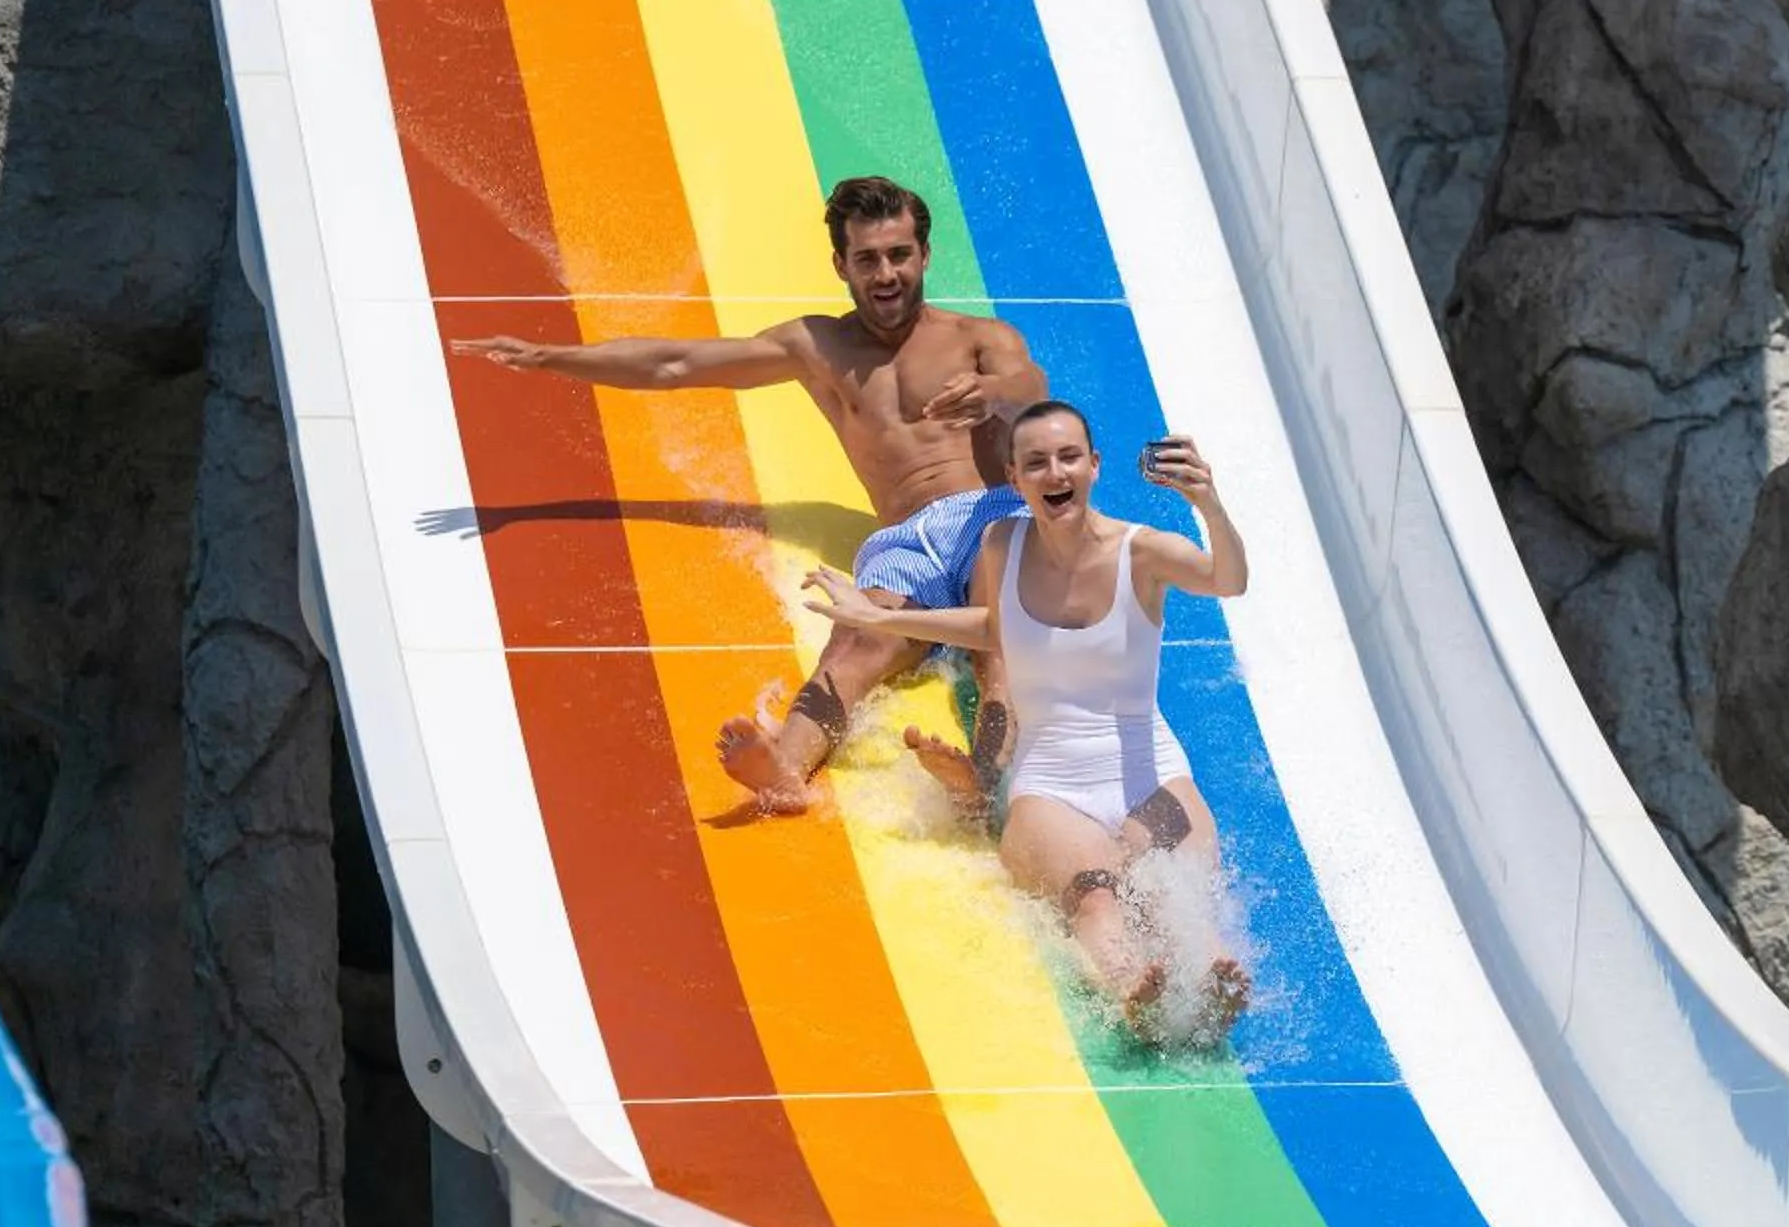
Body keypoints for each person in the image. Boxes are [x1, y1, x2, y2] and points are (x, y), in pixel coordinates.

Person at [451, 175, 1047, 812]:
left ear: (924, 256)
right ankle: (786, 770)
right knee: (855, 637)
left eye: (899, 255)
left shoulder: (979, 341)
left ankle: (985, 775)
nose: (886, 273)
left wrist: (991, 395)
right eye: (867, 258)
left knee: (1002, 628)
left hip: (989, 515)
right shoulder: (818, 346)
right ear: (840, 264)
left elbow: (1030, 385)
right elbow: (674, 365)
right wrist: (549, 358)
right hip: (905, 541)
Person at [808, 403, 1251, 1041]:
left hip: (1149, 771)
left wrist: (1208, 504)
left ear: (1093, 466)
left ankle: (1210, 978)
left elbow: (1227, 580)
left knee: (1172, 888)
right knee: (1095, 897)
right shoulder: (1002, 544)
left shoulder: (1141, 553)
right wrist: (879, 618)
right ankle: (1134, 991)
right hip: (1053, 786)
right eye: (1036, 462)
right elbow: (994, 627)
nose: (1055, 471)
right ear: (1014, 479)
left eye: (1069, 456)